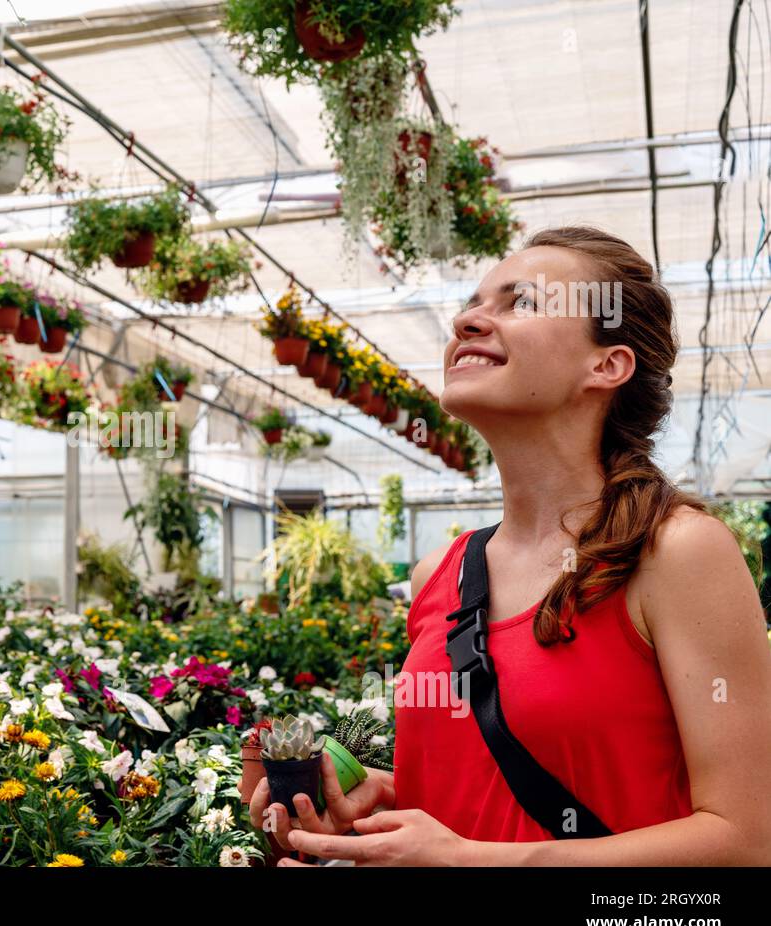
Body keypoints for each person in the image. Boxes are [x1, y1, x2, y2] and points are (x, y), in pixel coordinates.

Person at [250, 226, 771, 865]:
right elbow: (475, 807)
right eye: (472, 303)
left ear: (606, 365)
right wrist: (380, 805)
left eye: (520, 302)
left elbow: (744, 840)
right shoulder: (439, 574)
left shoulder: (677, 553)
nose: (468, 319)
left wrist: (470, 860)